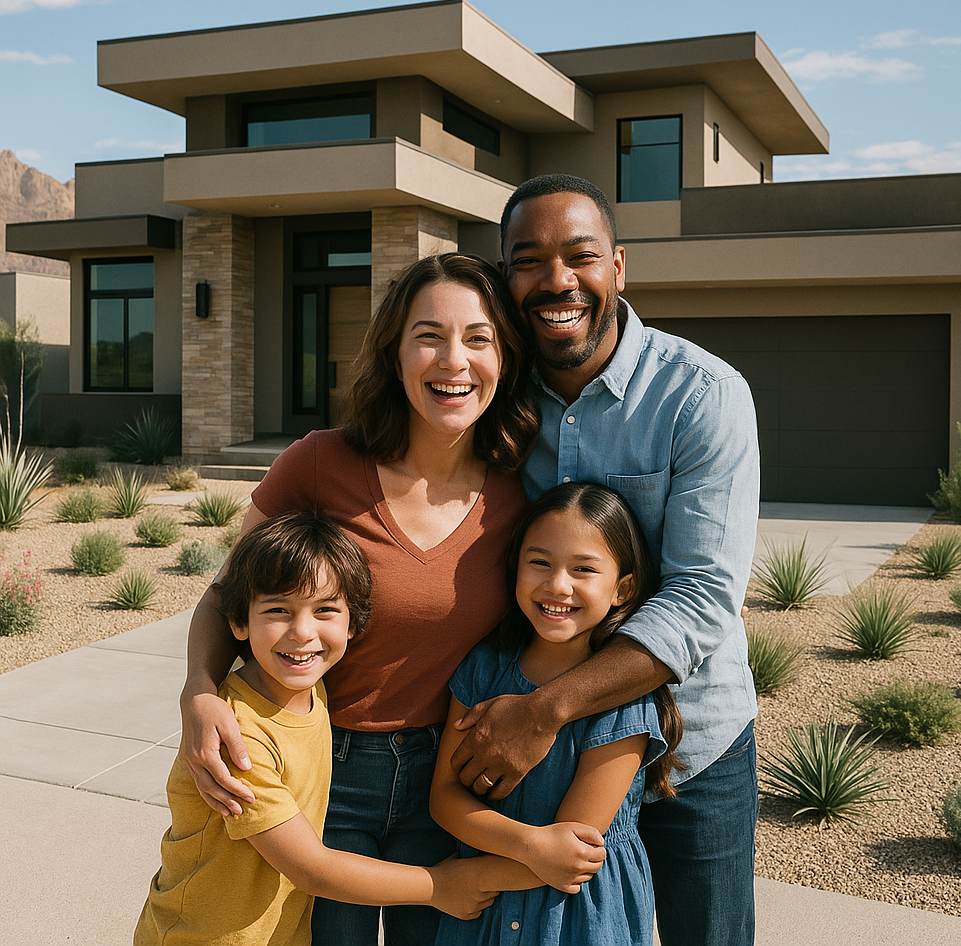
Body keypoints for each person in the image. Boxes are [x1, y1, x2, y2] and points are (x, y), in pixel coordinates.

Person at [178, 254, 605, 946]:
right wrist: (198, 691)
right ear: (395, 353)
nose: (454, 360)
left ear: (504, 359)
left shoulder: (521, 490)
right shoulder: (320, 462)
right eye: (428, 336)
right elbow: (226, 595)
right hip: (324, 765)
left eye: (478, 338)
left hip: (450, 780)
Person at [449, 175, 761, 946]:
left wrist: (544, 711)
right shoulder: (492, 395)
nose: (556, 280)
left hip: (690, 750)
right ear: (505, 277)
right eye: (528, 260)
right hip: (540, 763)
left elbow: (703, 597)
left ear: (618, 265)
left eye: (580, 256)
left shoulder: (701, 395)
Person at [136, 511, 500, 946]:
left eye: (325, 610)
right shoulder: (238, 737)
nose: (302, 632)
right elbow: (312, 870)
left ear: (353, 623)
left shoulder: (310, 689)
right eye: (278, 610)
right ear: (238, 622)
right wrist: (441, 886)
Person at [431, 482, 684, 946]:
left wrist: (479, 872)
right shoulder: (483, 668)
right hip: (481, 913)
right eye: (540, 563)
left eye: (583, 569)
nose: (557, 585)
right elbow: (444, 797)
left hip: (576, 918)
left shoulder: (621, 699)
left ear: (623, 589)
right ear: (516, 566)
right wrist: (532, 846)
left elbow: (573, 851)